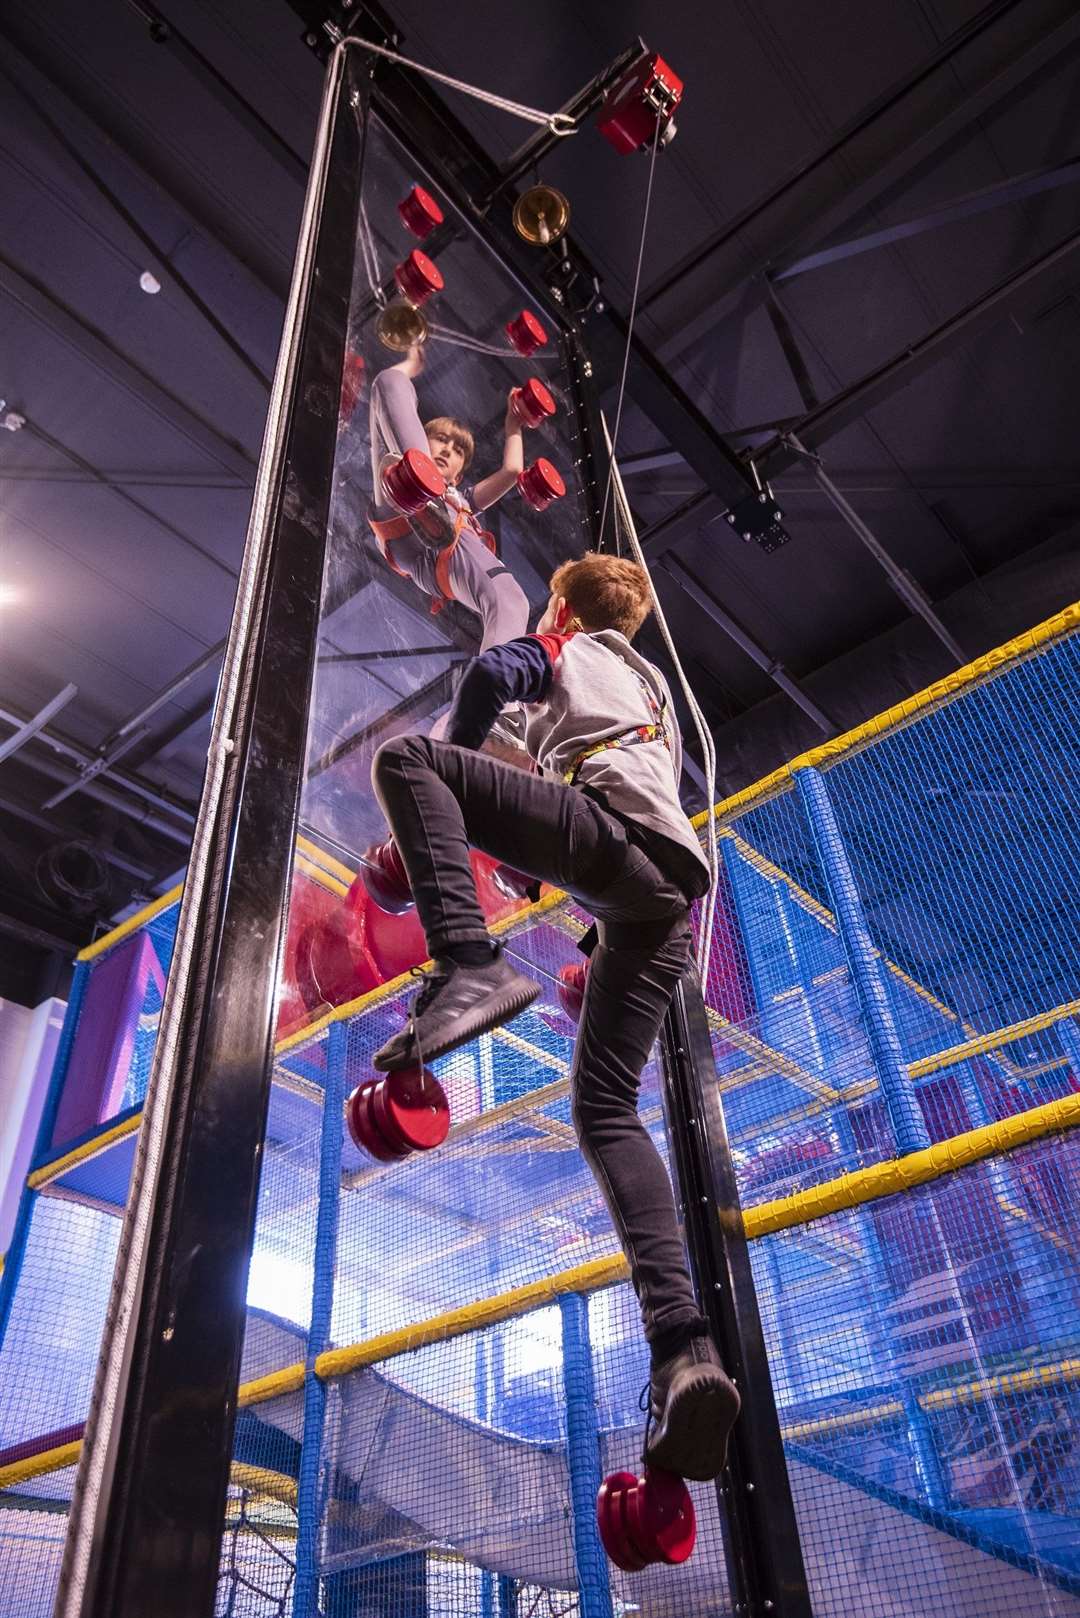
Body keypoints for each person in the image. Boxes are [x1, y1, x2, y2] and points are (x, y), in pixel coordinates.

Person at [368, 553, 740, 1483]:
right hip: (666, 896)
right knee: (605, 1109)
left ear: (563, 610)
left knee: (407, 760)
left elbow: (496, 673)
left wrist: (458, 760)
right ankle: (685, 1352)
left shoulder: (566, 646)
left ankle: (470, 962)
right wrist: (539, 873)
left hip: (614, 841)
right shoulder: (646, 678)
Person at [368, 346, 531, 652]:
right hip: (401, 521)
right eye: (441, 440)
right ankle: (413, 488)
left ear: (457, 476)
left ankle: (420, 497)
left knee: (510, 598)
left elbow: (512, 470)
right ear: (424, 436)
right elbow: (386, 388)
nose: (447, 450)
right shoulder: (437, 480)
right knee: (388, 383)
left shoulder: (464, 502)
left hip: (439, 555)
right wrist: (412, 364)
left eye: (457, 451)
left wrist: (514, 423)